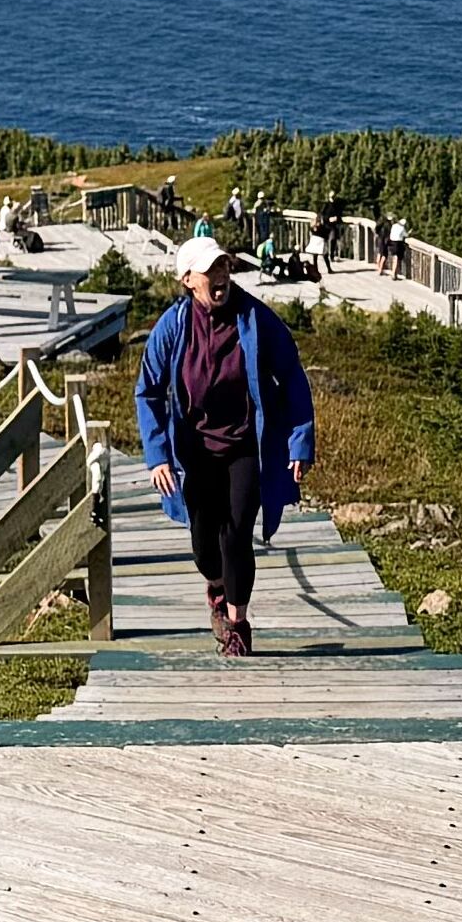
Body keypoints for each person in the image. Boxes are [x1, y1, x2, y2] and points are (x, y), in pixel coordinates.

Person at [135, 232, 316, 657]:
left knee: (236, 533)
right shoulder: (173, 326)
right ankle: (216, 588)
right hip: (195, 449)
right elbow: (148, 391)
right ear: (187, 280)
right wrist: (158, 456)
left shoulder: (255, 318)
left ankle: (238, 624)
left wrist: (300, 442)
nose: (220, 275)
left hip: (245, 445)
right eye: (209, 269)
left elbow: (292, 375)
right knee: (204, 543)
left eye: (223, 266)